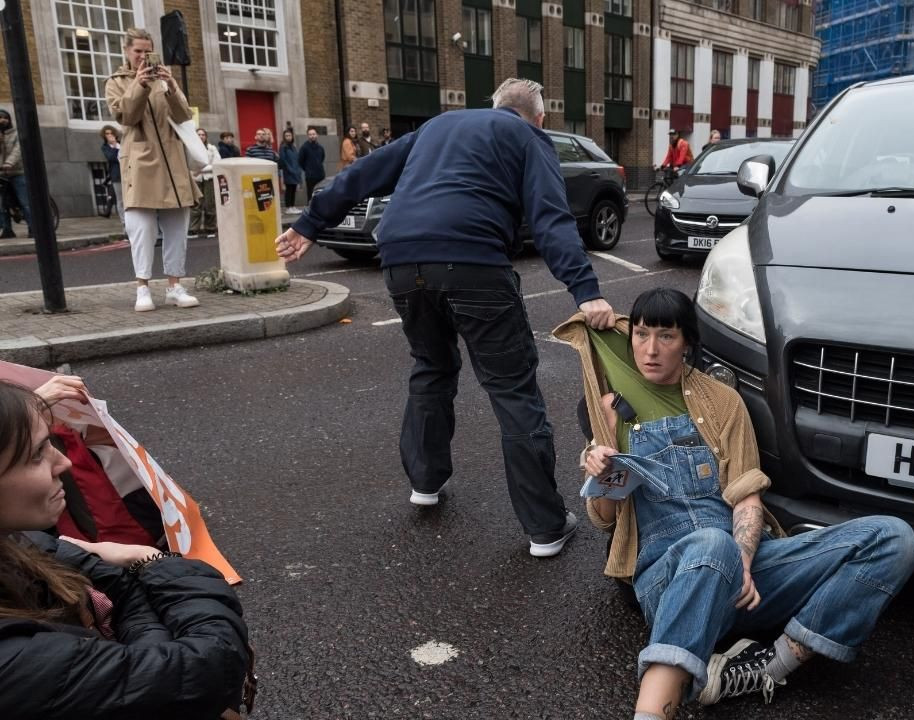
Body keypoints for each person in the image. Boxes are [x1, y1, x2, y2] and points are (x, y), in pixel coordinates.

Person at [275, 78, 616, 557]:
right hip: (474, 260)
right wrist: (585, 291)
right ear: (537, 118)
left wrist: (311, 223)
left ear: (491, 106)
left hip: (399, 259)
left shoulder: (437, 126)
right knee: (512, 389)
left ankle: (425, 481)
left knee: (432, 368)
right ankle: (545, 526)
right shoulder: (528, 137)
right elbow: (550, 217)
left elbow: (364, 173)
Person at [554, 288, 914, 717]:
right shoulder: (609, 407)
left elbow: (746, 496)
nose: (650, 350)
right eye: (640, 334)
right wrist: (601, 471)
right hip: (669, 579)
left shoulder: (722, 401)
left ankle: (767, 665)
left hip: (746, 576)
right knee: (711, 543)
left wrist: (741, 563)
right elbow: (604, 520)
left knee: (893, 537)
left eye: (666, 337)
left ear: (687, 342)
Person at [0, 380, 253, 719]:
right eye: (36, 454)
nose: (64, 463)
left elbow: (123, 591)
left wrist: (147, 664)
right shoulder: (14, 663)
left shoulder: (20, 543)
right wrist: (150, 560)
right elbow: (209, 664)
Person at [104, 27, 201, 313]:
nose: (143, 57)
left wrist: (170, 86)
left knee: (177, 228)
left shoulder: (163, 79)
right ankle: (142, 288)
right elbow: (126, 115)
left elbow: (184, 115)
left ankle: (174, 286)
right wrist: (140, 84)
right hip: (141, 161)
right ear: (127, 51)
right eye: (138, 51)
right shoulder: (116, 81)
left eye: (148, 51)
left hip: (173, 162)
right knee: (142, 229)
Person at [0, 108, 32, 240]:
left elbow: (18, 151)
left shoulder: (16, 134)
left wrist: (9, 163)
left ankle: (33, 228)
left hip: (17, 172)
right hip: (2, 174)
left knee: (24, 202)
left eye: (5, 117)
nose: (2, 120)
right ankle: (7, 230)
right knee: (2, 204)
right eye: (0, 117)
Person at [188, 128, 219, 236]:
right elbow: (189, 164)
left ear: (206, 137)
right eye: (199, 134)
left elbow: (216, 163)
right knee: (195, 205)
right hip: (196, 179)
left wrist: (201, 170)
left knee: (210, 204)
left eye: (203, 135)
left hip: (208, 178)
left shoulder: (212, 148)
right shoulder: (190, 148)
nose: (201, 136)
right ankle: (193, 229)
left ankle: (210, 228)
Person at [99, 125, 124, 225]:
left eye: (111, 133)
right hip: (117, 176)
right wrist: (114, 145)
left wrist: (117, 145)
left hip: (128, 174)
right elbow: (112, 157)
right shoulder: (105, 147)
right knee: (120, 201)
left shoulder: (121, 144)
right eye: (107, 134)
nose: (109, 135)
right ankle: (124, 225)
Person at [298, 127, 326, 202]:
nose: (312, 136)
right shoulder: (304, 147)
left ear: (317, 135)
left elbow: (322, 158)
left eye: (314, 134)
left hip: (320, 175)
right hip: (310, 176)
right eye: (310, 134)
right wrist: (307, 169)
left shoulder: (320, 148)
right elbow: (300, 161)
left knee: (321, 194)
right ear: (308, 136)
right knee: (311, 195)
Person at [278, 128, 303, 213]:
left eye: (289, 135)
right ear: (284, 137)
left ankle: (293, 206)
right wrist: (290, 169)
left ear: (292, 136)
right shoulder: (283, 147)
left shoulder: (293, 147)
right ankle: (288, 207)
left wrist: (298, 169)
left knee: (293, 189)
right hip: (288, 172)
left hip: (295, 171)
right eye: (286, 136)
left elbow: (297, 159)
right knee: (289, 190)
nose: (288, 137)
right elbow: (283, 160)